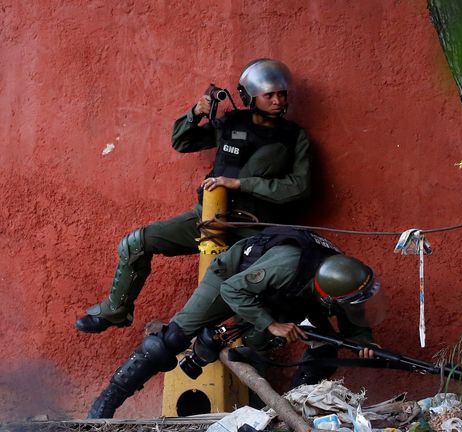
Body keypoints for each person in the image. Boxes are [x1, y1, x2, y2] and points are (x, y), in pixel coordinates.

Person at [76, 59, 312, 333]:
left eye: (281, 94)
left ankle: (250, 355)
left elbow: (298, 188)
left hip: (254, 232)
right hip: (206, 218)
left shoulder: (294, 137)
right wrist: (195, 113)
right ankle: (115, 310)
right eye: (269, 95)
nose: (277, 101)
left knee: (248, 293)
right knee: (136, 243)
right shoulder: (231, 123)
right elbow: (182, 141)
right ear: (250, 96)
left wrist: (241, 184)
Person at [87, 227, 379, 419]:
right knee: (171, 339)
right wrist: (270, 324)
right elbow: (233, 289)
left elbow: (351, 315)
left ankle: (292, 410)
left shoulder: (341, 276)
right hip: (232, 278)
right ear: (327, 293)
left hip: (286, 293)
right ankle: (105, 404)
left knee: (324, 343)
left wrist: (364, 342)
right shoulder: (288, 265)